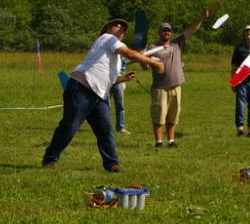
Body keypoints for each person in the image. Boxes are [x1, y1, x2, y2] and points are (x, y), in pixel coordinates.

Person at [42, 19, 164, 172]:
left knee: (106, 130)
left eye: (124, 30)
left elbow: (106, 79)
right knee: (69, 127)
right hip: (81, 89)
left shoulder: (116, 57)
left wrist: (121, 79)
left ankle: (112, 165)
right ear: (108, 30)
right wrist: (155, 63)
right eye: (118, 27)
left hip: (99, 96)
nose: (121, 30)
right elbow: (130, 53)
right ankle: (50, 158)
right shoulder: (107, 39)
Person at [146, 8, 209, 148]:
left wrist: (201, 18)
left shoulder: (176, 43)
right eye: (164, 30)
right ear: (159, 32)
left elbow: (191, 30)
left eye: (168, 30)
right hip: (160, 87)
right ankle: (158, 142)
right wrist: (144, 58)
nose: (166, 32)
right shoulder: (152, 47)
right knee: (159, 114)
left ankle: (170, 141)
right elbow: (144, 66)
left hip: (176, 85)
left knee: (173, 115)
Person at [109, 58, 128, 134]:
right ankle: (107, 127)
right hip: (107, 79)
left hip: (119, 79)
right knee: (106, 105)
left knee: (120, 104)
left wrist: (121, 77)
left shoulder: (120, 53)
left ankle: (120, 127)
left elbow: (123, 63)